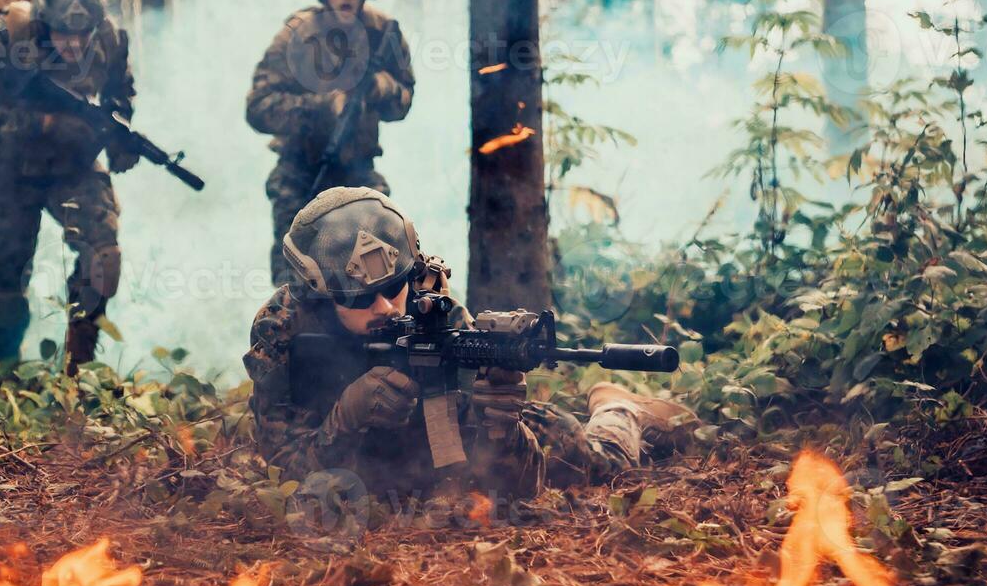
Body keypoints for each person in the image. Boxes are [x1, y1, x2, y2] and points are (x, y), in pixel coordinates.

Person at [243, 188, 696, 496]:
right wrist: (345, 418)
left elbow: (507, 480)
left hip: (439, 446)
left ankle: (618, 409)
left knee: (606, 468)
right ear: (319, 299)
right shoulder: (284, 331)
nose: (385, 307)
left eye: (395, 285)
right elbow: (284, 469)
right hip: (368, 460)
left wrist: (501, 427)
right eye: (361, 297)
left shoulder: (436, 314)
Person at [0, 0, 138, 374]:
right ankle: (7, 368)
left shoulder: (107, 40)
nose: (74, 44)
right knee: (6, 275)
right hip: (8, 169)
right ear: (42, 23)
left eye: (82, 35)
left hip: (72, 165)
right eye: (63, 34)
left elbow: (120, 93)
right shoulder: (4, 38)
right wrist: (44, 125)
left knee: (103, 256)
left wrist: (117, 133)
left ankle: (79, 372)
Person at [246, 0, 416, 287]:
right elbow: (259, 107)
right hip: (302, 172)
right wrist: (323, 109)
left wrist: (381, 88)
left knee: (385, 270)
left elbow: (403, 102)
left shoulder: (383, 32)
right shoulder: (296, 35)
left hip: (358, 173)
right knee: (296, 284)